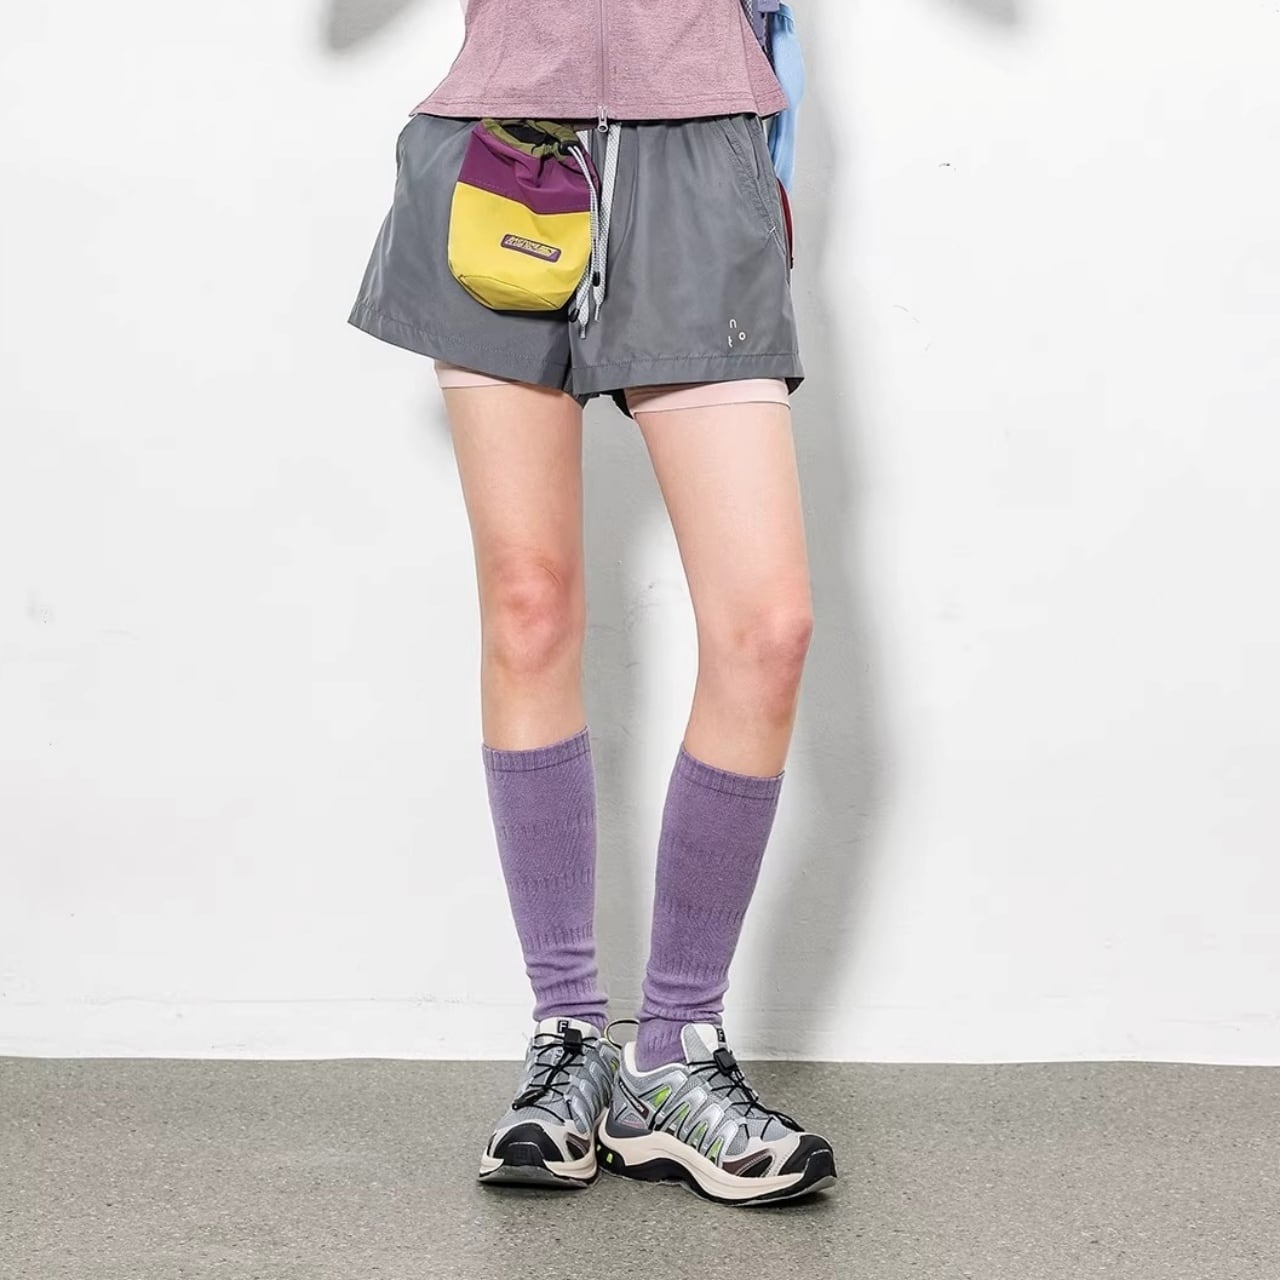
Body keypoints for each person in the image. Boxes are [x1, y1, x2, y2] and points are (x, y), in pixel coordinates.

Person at [348, 0, 836, 1207]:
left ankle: (670, 1052)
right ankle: (564, 1034)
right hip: (502, 142)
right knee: (528, 605)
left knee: (766, 628)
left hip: (697, 139)